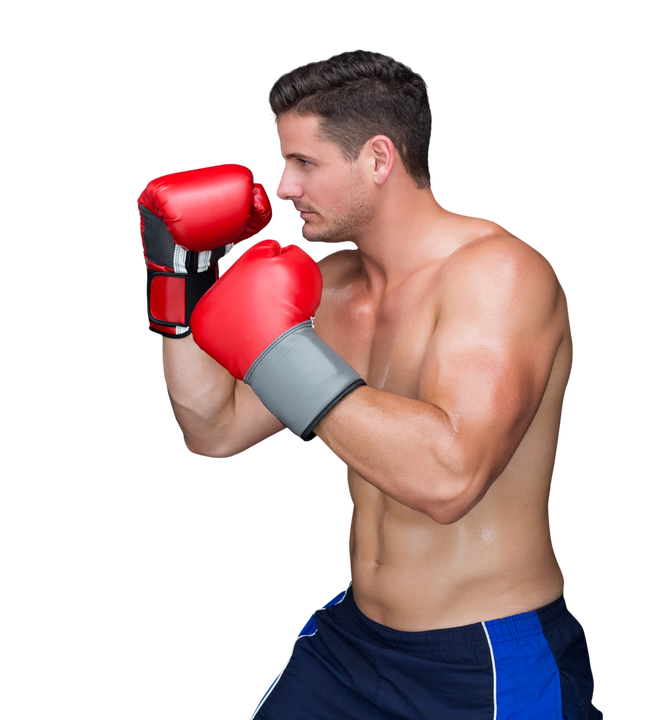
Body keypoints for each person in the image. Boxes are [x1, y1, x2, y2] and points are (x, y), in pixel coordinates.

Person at [137, 48, 603, 719]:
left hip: (482, 660)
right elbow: (212, 430)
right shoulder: (329, 287)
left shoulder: (499, 276)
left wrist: (278, 351)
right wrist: (176, 290)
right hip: (353, 644)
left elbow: (449, 480)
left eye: (304, 162)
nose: (284, 186)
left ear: (378, 159)